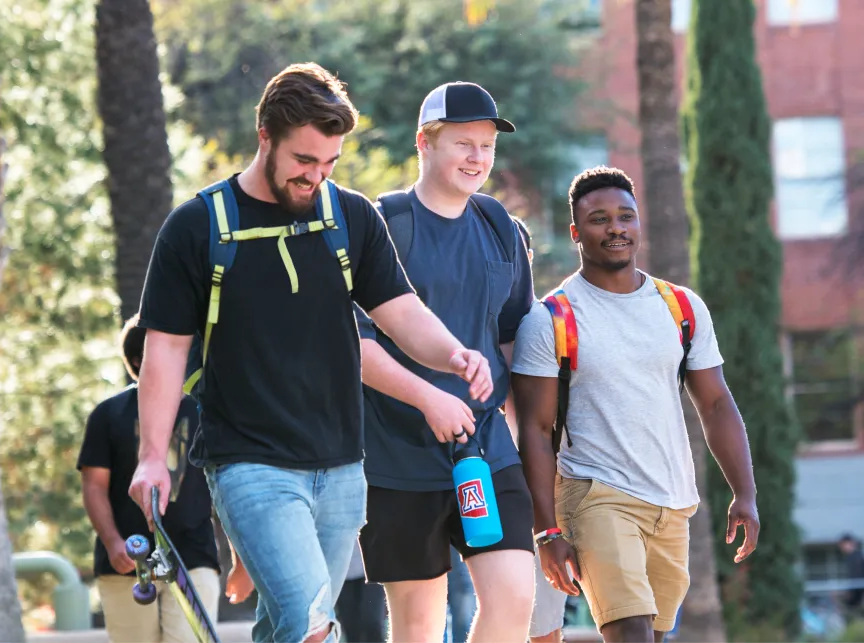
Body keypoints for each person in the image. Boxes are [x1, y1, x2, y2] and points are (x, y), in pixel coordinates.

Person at [129, 63, 495, 643]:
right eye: (304, 161)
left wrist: (453, 355)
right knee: (310, 620)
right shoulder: (198, 228)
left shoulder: (348, 216)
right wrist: (152, 456)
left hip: (343, 466)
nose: (316, 177)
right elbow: (165, 351)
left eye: (329, 163)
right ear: (265, 137)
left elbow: (398, 311)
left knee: (287, 628)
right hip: (248, 463)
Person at [511, 166, 761, 643]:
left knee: (653, 636)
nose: (616, 228)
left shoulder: (681, 308)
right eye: (599, 219)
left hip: (672, 502)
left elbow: (715, 403)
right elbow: (536, 432)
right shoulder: (552, 320)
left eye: (626, 216)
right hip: (594, 494)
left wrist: (744, 493)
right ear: (575, 232)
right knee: (630, 633)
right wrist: (547, 531)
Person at [355, 81, 536, 643]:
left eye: (486, 146)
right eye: (463, 143)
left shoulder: (500, 228)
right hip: (395, 453)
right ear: (425, 144)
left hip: (484, 447)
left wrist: (527, 435)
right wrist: (427, 397)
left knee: (513, 597)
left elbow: (512, 339)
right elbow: (354, 347)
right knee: (418, 624)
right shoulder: (383, 225)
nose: (478, 158)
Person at [78, 315, 221, 643]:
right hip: (126, 561)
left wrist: (241, 557)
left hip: (194, 557)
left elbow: (225, 486)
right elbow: (94, 487)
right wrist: (114, 543)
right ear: (140, 360)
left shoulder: (206, 412)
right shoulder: (108, 414)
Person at [840, 533, 864, 615]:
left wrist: (850, 591)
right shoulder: (851, 557)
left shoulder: (857, 556)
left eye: (843, 544)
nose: (842, 547)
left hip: (858, 590)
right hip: (856, 589)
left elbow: (857, 575)